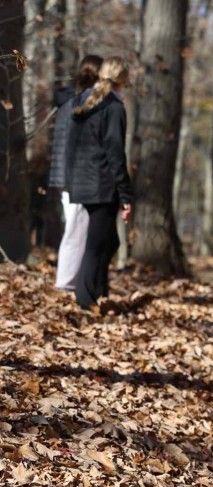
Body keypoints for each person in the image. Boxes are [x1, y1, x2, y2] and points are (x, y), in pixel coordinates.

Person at [64, 56, 132, 310]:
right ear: (122, 79)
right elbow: (115, 151)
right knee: (95, 244)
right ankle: (85, 298)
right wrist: (125, 194)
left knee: (110, 240)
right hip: (102, 183)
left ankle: (100, 290)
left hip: (84, 179)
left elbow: (71, 145)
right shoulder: (113, 106)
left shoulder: (83, 99)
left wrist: (72, 180)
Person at [51, 54, 103, 290]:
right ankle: (66, 283)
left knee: (76, 229)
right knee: (75, 230)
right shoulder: (84, 104)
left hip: (65, 175)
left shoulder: (67, 101)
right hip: (77, 176)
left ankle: (72, 280)